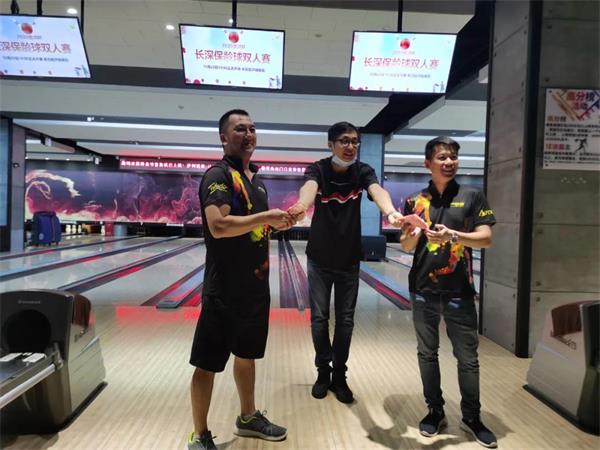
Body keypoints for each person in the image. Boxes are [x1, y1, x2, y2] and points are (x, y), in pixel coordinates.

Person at [187, 109, 294, 450]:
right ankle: (199, 435)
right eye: (239, 129)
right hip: (224, 290)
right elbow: (218, 225)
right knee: (207, 364)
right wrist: (266, 217)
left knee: (247, 356)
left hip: (255, 289)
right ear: (223, 138)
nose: (248, 134)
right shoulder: (218, 176)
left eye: (252, 128)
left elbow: (254, 227)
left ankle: (247, 418)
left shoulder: (256, 180)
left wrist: (279, 221)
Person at [288, 121, 404, 404]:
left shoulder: (362, 171)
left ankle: (339, 376)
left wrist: (390, 212)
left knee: (346, 321)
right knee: (319, 319)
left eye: (354, 141)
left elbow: (377, 191)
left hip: (349, 260)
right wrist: (302, 206)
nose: (350, 146)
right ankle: (323, 372)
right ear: (331, 145)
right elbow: (309, 189)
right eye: (344, 141)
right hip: (319, 258)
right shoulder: (319, 169)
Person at [400, 136, 498, 448]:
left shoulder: (472, 196)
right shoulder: (415, 200)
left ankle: (472, 417)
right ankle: (435, 411)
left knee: (467, 358)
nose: (449, 162)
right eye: (442, 157)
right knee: (427, 354)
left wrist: (453, 235)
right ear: (428, 163)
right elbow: (406, 246)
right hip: (423, 290)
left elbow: (485, 238)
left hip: (460, 291)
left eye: (453, 156)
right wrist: (412, 232)